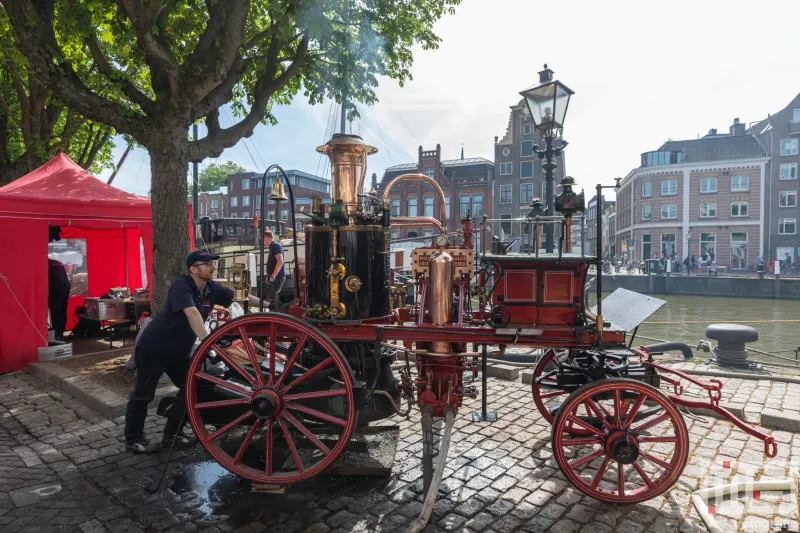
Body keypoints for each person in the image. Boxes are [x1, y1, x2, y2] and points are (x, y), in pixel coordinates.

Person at [124, 251, 267, 453]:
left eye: (213, 263)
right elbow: (191, 313)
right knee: (143, 394)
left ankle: (172, 434)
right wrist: (206, 339)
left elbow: (239, 297)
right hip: (154, 348)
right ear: (194, 268)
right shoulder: (181, 285)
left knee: (192, 388)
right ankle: (133, 440)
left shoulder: (211, 288)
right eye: (208, 263)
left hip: (178, 352)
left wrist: (270, 306)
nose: (213, 266)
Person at [47, 258, 71, 339]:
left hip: (55, 291)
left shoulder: (46, 264)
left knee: (54, 313)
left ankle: (55, 335)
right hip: (64, 289)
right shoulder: (57, 262)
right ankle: (60, 333)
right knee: (62, 312)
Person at [263, 229, 286, 310]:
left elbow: (280, 261)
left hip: (277, 278)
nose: (262, 241)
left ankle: (278, 314)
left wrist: (273, 276)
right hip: (275, 277)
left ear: (266, 237)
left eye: (262, 239)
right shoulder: (273, 246)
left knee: (272, 300)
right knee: (272, 298)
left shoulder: (275, 245)